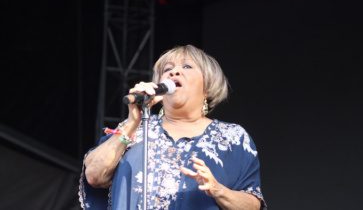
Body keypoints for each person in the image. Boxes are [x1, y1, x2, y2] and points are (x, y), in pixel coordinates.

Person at [79, 44, 266, 209]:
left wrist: (218, 190)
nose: (174, 72)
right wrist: (131, 123)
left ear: (208, 85)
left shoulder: (232, 137)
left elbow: (252, 204)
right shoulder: (135, 127)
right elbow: (94, 176)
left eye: (187, 66)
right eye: (167, 69)